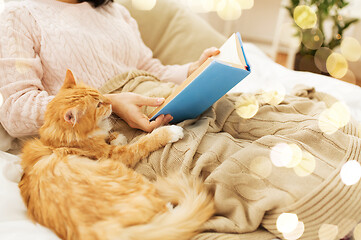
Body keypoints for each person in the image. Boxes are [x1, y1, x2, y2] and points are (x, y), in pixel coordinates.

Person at [0, 0, 220, 137]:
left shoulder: (115, 11)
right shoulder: (17, 15)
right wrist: (108, 103)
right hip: (110, 133)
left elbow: (149, 69)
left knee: (236, 114)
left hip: (159, 107)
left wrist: (191, 71)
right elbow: (16, 111)